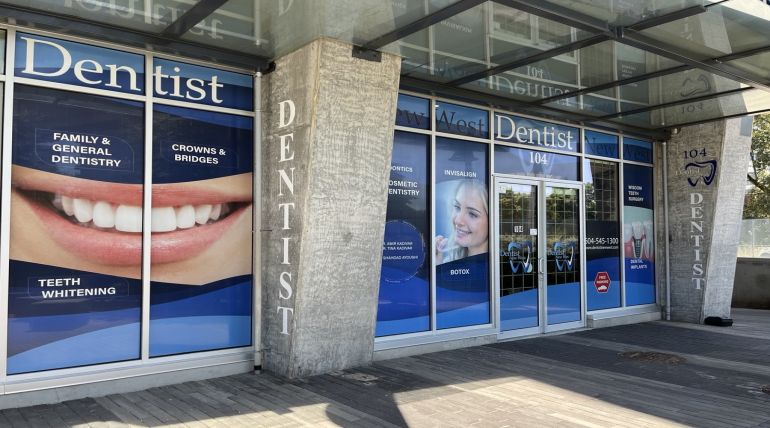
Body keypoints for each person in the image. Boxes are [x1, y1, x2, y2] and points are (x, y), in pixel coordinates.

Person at [435, 180, 489, 264]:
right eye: (457, 207)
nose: (457, 221)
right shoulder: (447, 263)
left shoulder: (500, 268)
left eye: (472, 214)